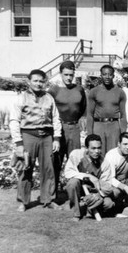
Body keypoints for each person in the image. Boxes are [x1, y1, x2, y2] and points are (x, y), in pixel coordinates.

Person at [9, 69, 62, 212]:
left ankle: (48, 199)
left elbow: (56, 118)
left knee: (48, 169)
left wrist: (56, 138)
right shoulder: (21, 98)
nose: (38, 84)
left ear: (45, 82)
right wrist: (19, 143)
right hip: (28, 135)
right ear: (29, 82)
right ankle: (23, 201)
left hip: (46, 136)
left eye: (41, 81)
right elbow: (14, 120)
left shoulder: (49, 98)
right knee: (26, 168)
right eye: (35, 81)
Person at [48, 60, 86, 192]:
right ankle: (52, 194)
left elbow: (82, 109)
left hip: (74, 128)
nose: (69, 78)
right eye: (66, 75)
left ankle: (75, 193)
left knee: (76, 160)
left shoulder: (79, 89)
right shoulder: (54, 90)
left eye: (71, 74)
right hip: (59, 129)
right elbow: (49, 110)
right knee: (56, 161)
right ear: (60, 74)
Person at [64, 134, 115, 221]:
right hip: (79, 188)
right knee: (72, 183)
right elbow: (68, 173)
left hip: (94, 191)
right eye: (93, 148)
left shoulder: (104, 163)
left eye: (99, 148)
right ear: (87, 148)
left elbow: (106, 183)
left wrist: (97, 195)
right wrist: (88, 176)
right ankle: (77, 213)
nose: (97, 151)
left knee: (109, 204)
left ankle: (85, 207)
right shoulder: (76, 155)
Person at [86, 64, 127, 155]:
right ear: (101, 75)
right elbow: (89, 114)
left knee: (113, 154)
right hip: (98, 125)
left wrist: (123, 133)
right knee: (98, 153)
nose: (107, 77)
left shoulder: (120, 92)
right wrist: (90, 134)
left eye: (110, 74)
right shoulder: (94, 91)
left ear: (113, 76)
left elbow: (123, 115)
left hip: (114, 126)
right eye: (104, 74)